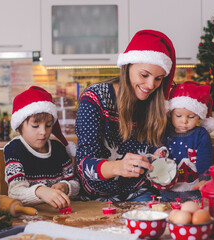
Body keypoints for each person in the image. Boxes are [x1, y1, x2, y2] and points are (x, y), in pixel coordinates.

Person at [74, 29, 176, 201]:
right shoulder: (95, 98)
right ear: (128, 66)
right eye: (144, 75)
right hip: (94, 198)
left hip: (139, 193)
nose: (151, 85)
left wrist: (160, 155)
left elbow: (157, 148)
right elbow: (83, 165)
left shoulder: (154, 104)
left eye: (158, 79)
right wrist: (118, 167)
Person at [4, 86, 80, 208]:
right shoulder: (14, 149)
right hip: (31, 216)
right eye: (35, 126)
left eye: (48, 125)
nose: (43, 132)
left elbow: (75, 184)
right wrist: (40, 191)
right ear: (19, 126)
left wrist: (65, 187)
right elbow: (15, 192)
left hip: (60, 215)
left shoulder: (58, 149)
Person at [156, 81, 214, 201]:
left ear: (199, 116)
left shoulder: (200, 134)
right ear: (170, 114)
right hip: (167, 191)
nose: (184, 121)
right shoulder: (165, 132)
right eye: (178, 116)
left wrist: (205, 180)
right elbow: (157, 149)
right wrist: (157, 154)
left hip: (193, 191)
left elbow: (205, 159)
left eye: (191, 117)